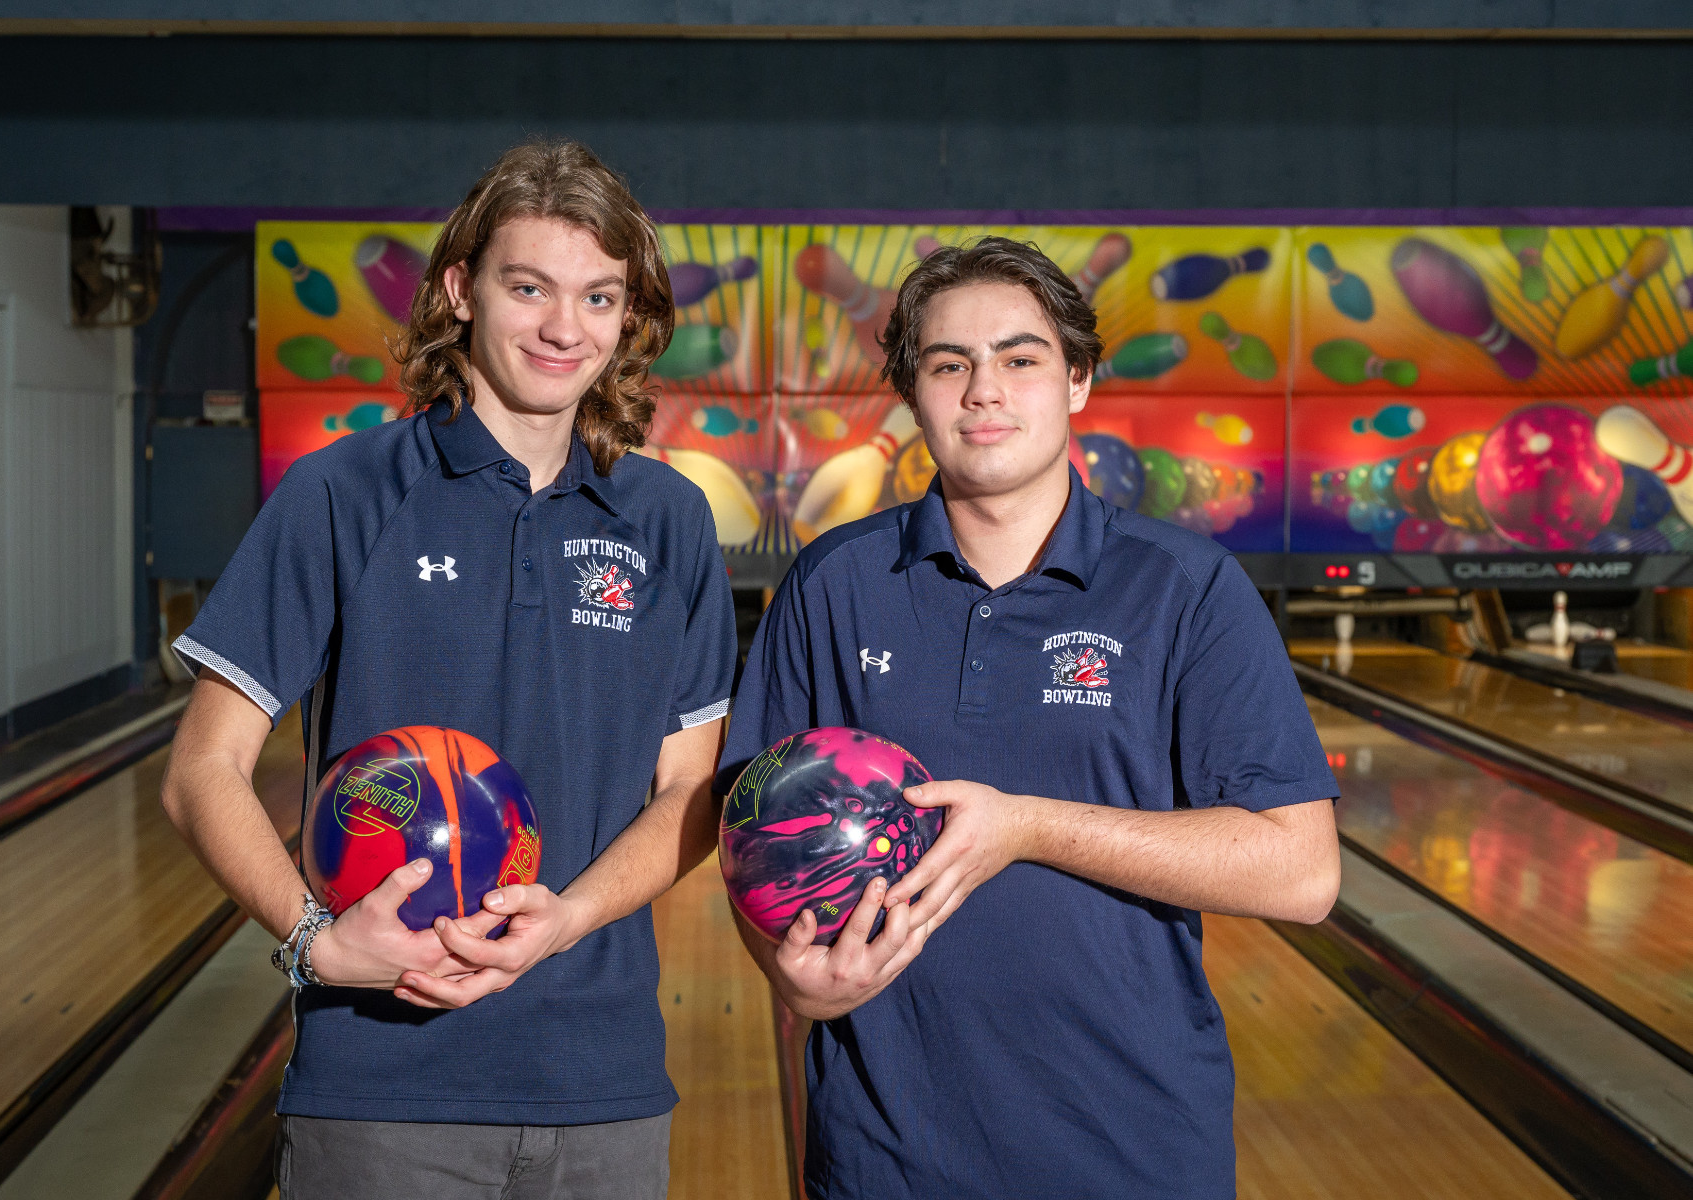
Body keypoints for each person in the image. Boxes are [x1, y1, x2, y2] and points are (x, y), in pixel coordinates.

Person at [160, 140, 736, 1200]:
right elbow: (201, 770)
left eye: (599, 297)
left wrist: (565, 918)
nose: (567, 328)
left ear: (628, 316)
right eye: (531, 287)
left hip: (602, 1086)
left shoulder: (669, 520)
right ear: (461, 291)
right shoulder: (342, 494)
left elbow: (693, 793)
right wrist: (319, 946)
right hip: (379, 1093)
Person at [719, 236, 1340, 1199]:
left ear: (1077, 381)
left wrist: (1029, 826)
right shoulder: (834, 583)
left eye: (1020, 358)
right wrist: (787, 975)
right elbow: (750, 832)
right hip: (886, 1155)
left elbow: (1300, 872)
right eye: (948, 364)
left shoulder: (1186, 589)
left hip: (1131, 1153)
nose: (984, 391)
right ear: (912, 390)